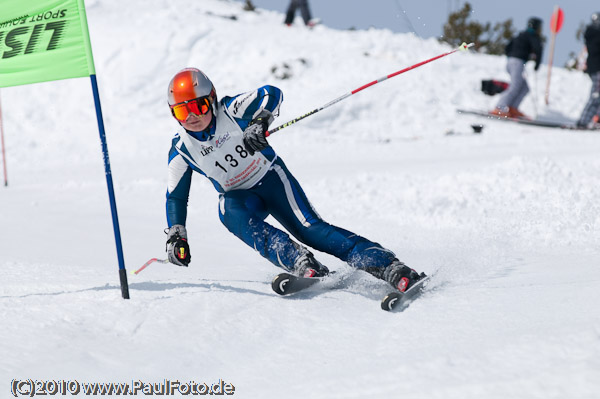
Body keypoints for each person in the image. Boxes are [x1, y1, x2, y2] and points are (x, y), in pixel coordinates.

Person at [164, 68, 425, 293]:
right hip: (241, 198)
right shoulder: (182, 149)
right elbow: (175, 195)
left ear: (212, 99)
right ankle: (299, 261)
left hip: (272, 180)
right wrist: (177, 235)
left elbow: (271, 93)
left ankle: (389, 266)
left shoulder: (231, 110)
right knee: (226, 210)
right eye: (181, 111)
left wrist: (259, 121)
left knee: (312, 231)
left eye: (197, 106)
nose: (191, 117)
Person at [490, 17, 544, 119]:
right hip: (518, 62)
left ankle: (512, 108)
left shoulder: (521, 35)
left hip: (511, 62)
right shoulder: (533, 36)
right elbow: (538, 49)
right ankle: (499, 107)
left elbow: (507, 47)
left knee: (524, 87)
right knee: (515, 86)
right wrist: (537, 63)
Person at [577, 12, 600, 129]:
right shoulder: (595, 34)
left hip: (594, 67)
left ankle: (596, 119)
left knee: (597, 95)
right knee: (595, 95)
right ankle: (583, 121)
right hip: (597, 68)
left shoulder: (592, 34)